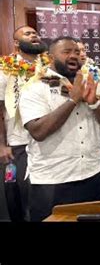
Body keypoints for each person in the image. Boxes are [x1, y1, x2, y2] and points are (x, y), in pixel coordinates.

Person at [19, 37, 100, 221]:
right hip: (53, 180)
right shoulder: (34, 88)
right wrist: (72, 100)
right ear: (50, 57)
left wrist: (95, 103)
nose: (74, 56)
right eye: (66, 52)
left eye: (76, 52)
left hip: (93, 174)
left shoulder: (91, 83)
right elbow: (38, 131)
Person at [0, 25, 48, 221]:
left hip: (48, 137)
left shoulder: (49, 65)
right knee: (22, 195)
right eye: (27, 33)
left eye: (35, 33)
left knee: (45, 194)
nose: (34, 35)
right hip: (19, 141)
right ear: (16, 43)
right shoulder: (5, 69)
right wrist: (2, 144)